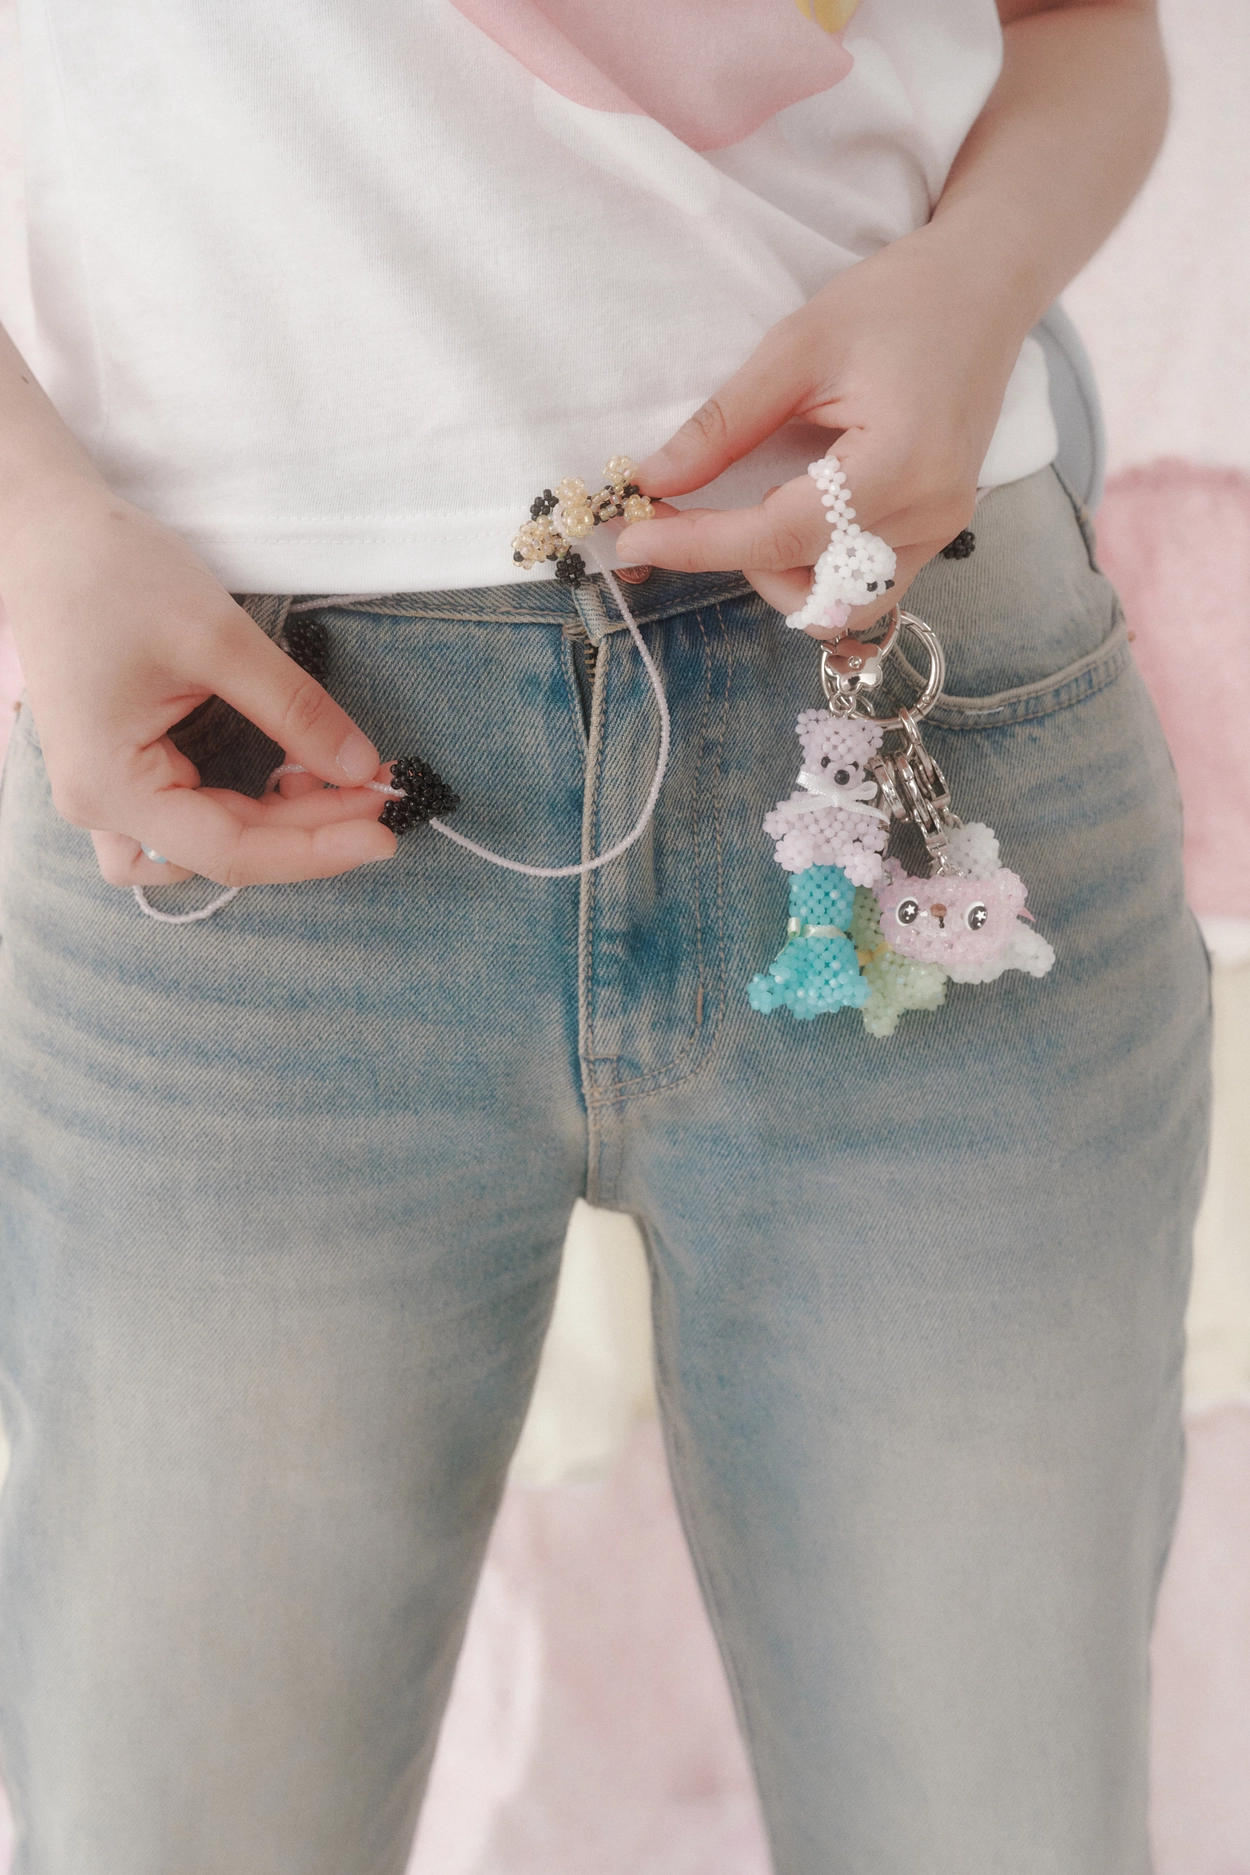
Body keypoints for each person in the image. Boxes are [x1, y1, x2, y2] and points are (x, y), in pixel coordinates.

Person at [0, 2, 1209, 1871]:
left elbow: (1077, 25)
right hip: (226, 775)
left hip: (906, 689)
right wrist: (24, 524)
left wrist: (974, 284)